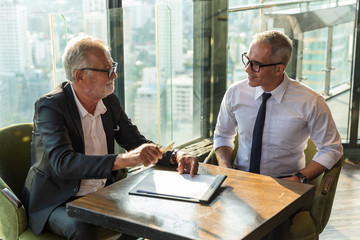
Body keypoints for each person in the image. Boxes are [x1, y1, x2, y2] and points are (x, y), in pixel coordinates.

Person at [21, 35, 199, 240]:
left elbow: (137, 142)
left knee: (146, 212)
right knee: (81, 227)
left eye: (112, 67)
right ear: (80, 76)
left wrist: (176, 155)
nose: (114, 76)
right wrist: (124, 159)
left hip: (101, 192)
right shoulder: (50, 107)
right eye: (107, 70)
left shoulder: (109, 102)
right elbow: (63, 163)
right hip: (57, 200)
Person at [213, 30, 343, 238]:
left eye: (255, 64)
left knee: (266, 229)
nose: (247, 69)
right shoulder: (235, 93)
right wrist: (227, 169)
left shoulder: (310, 101)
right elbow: (222, 135)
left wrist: (299, 177)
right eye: (247, 59)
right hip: (240, 179)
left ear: (278, 68)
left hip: (284, 184)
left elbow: (332, 148)